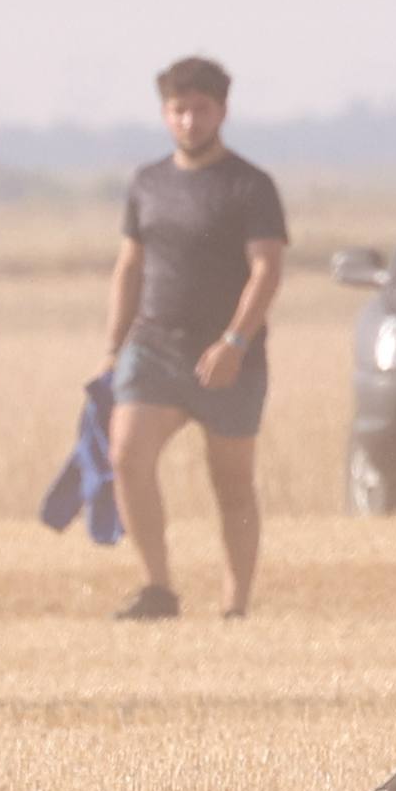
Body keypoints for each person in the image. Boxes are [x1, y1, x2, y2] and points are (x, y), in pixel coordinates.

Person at [100, 57, 287, 619]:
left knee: (230, 484)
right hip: (154, 347)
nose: (189, 121)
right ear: (165, 113)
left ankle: (236, 607)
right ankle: (158, 589)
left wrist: (233, 342)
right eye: (178, 110)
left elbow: (267, 270)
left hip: (230, 357)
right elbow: (129, 265)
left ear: (222, 112)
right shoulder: (147, 183)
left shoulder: (250, 186)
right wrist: (114, 348)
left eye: (200, 109)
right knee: (127, 455)